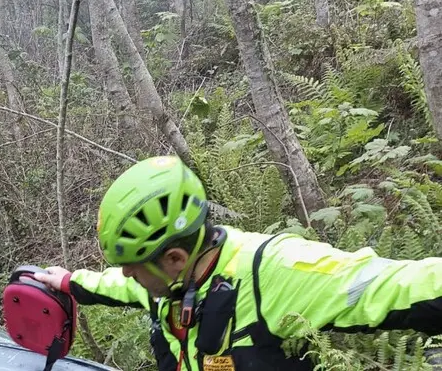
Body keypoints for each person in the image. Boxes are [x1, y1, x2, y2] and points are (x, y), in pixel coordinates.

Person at [33, 155, 442, 371]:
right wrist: (69, 281)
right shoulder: (165, 283)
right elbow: (118, 286)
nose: (127, 275)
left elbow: (389, 284)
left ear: (174, 257)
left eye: (134, 265)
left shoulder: (274, 269)